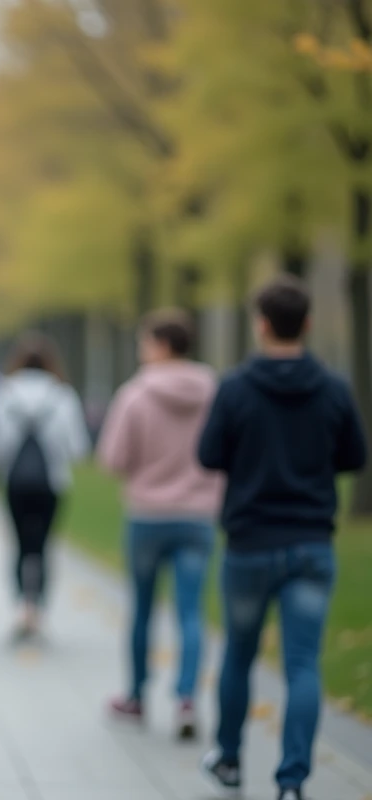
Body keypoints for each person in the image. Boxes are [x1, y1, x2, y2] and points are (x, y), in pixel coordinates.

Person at [198, 276, 365, 800]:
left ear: (261, 324)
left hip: (250, 542)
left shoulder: (236, 388)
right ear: (308, 324)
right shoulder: (334, 388)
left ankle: (229, 758)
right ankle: (292, 781)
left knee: (239, 654)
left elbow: (208, 454)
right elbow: (355, 456)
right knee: (302, 664)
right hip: (311, 541)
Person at [96, 309, 224, 740]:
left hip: (148, 515)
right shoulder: (214, 393)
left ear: (162, 345)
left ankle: (136, 695)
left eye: (145, 342)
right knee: (191, 610)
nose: (141, 350)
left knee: (143, 609)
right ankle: (187, 699)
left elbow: (113, 459)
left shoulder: (136, 394)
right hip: (198, 515)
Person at [0, 332, 90, 640]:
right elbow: (78, 448)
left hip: (14, 482)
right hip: (51, 481)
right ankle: (39, 607)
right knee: (42, 545)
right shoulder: (63, 395)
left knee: (19, 545)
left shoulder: (2, 394)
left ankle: (23, 606)